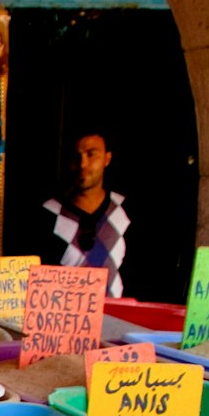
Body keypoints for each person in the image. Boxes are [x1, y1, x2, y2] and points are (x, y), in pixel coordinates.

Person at [38, 127, 131, 297]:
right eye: (76, 156)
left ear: (107, 158)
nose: (82, 164)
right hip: (66, 320)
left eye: (91, 154)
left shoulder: (126, 212)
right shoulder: (48, 214)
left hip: (119, 320)